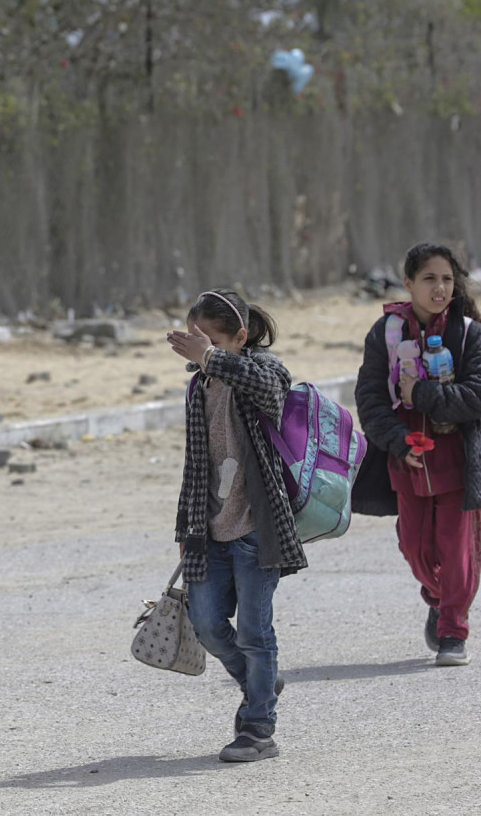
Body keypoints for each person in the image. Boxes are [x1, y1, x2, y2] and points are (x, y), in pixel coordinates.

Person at [167, 289, 305, 763]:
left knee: (254, 631)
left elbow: (268, 387)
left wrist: (209, 356)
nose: (197, 349)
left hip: (255, 530)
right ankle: (259, 682)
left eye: (210, 340)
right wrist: (186, 531)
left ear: (241, 337)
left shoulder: (264, 372)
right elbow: (195, 466)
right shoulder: (198, 386)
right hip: (209, 531)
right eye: (193, 339)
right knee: (205, 624)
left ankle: (257, 728)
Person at [354, 242, 481, 666]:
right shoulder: (386, 333)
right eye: (429, 278)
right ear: (408, 283)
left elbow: (476, 396)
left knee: (457, 547)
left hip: (458, 458)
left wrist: (423, 393)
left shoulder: (468, 333)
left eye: (446, 278)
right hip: (406, 457)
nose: (440, 287)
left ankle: (452, 632)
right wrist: (395, 440)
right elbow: (370, 397)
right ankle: (440, 598)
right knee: (415, 548)